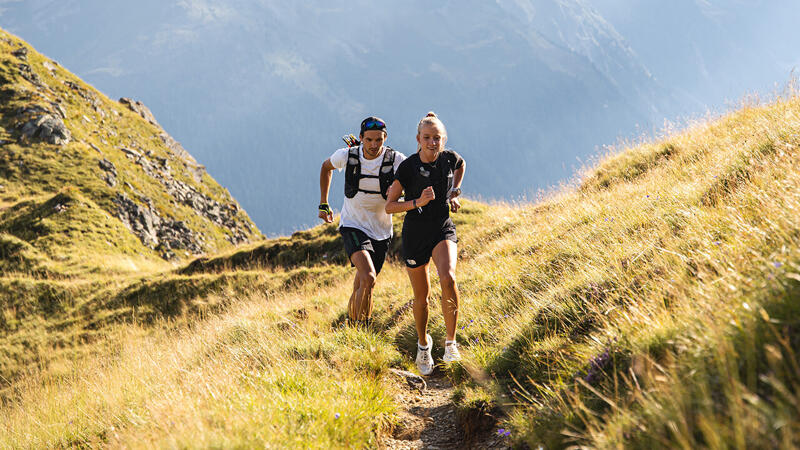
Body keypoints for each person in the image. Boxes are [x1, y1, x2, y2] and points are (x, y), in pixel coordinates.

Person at [385, 112, 465, 375]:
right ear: (418, 139)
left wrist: (454, 191)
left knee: (449, 278)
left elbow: (461, 165)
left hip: (441, 227)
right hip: (415, 233)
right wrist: (418, 201)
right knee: (422, 299)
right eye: (427, 138)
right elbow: (389, 206)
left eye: (437, 138)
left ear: (443, 140)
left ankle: (451, 344)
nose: (432, 143)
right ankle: (423, 345)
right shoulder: (407, 168)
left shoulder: (449, 158)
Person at [319, 116, 406, 325]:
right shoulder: (347, 156)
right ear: (360, 138)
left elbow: (413, 177)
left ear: (385, 138)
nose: (374, 145)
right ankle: (359, 329)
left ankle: (351, 328)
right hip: (353, 225)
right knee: (368, 277)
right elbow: (325, 167)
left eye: (379, 140)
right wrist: (324, 203)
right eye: (369, 140)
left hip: (382, 230)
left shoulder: (396, 160)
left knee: (363, 284)